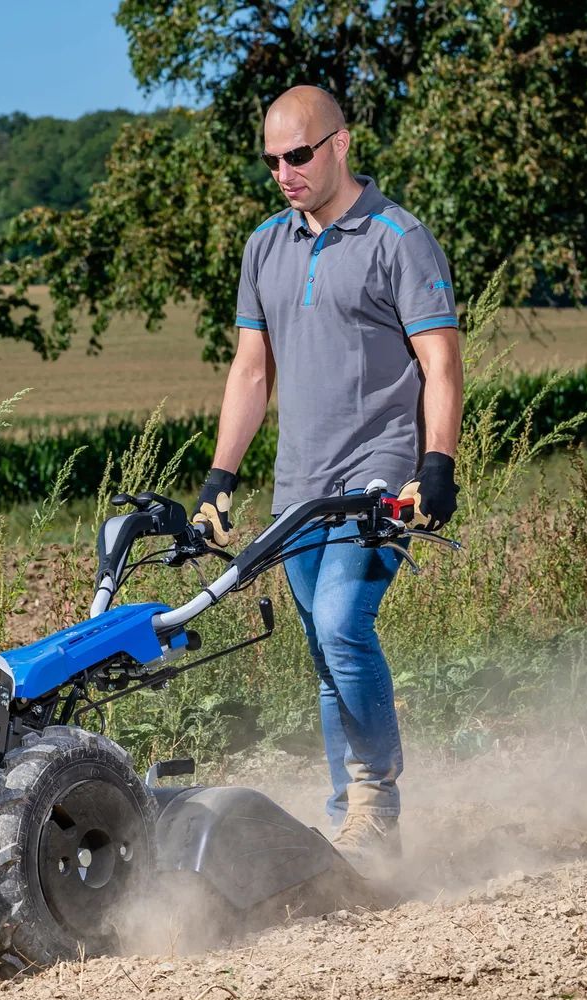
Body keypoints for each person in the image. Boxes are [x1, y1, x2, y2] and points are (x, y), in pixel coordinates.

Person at [192, 85, 463, 872]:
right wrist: (219, 478)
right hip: (298, 487)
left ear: (340, 144)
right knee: (321, 647)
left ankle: (376, 803)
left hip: (378, 478)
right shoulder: (265, 246)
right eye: (272, 160)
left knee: (344, 624)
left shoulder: (397, 238)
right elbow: (251, 371)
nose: (285, 173)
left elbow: (441, 362)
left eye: (299, 155)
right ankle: (351, 824)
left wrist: (437, 464)